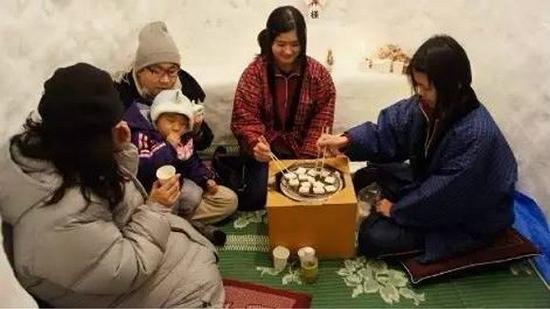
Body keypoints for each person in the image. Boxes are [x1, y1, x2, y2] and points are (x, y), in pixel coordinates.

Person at [0, 63, 224, 307]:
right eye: (111, 125)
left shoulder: (66, 153)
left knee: (201, 247)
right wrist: (156, 208)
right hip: (123, 281)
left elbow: (109, 199)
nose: (121, 126)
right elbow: (127, 267)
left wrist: (119, 152)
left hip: (135, 252)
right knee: (200, 283)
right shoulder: (54, 216)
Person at [317, 35, 517, 263]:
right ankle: (395, 207)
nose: (419, 93)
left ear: (453, 84)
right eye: (417, 85)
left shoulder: (476, 135)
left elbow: (444, 195)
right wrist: (347, 140)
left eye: (426, 87)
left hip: (467, 216)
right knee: (369, 173)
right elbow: (389, 130)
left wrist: (396, 210)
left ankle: (406, 222)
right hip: (431, 185)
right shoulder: (429, 105)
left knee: (373, 238)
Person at [230, 5, 336, 210]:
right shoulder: (254, 74)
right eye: (281, 44)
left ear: (303, 42)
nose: (288, 51)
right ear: (270, 41)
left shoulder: (318, 74)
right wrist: (255, 145)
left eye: (295, 44)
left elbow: (322, 117)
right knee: (258, 196)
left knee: (309, 193)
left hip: (304, 148)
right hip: (267, 150)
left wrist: (305, 163)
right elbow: (245, 117)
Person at [123, 88, 238, 242]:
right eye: (170, 121)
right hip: (151, 196)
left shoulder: (183, 137)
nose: (177, 127)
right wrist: (168, 146)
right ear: (156, 119)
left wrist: (206, 179)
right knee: (178, 202)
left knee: (220, 198)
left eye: (183, 124)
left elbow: (191, 162)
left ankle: (179, 225)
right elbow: (144, 167)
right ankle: (190, 229)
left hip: (178, 189)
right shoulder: (142, 136)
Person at [114, 21, 214, 151]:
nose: (166, 80)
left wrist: (195, 131)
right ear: (140, 71)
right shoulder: (120, 94)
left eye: (172, 71)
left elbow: (204, 143)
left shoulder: (185, 88)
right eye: (156, 71)